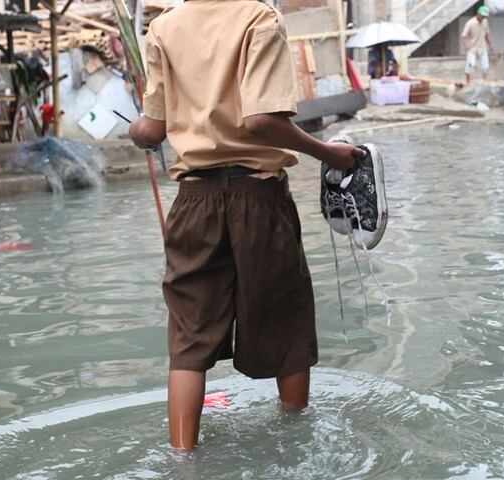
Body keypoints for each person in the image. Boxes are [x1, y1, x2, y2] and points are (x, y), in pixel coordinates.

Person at [128, 1, 365, 451]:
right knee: (285, 323)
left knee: (188, 339)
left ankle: (182, 459)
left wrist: (136, 132)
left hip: (193, 202)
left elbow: (152, 130)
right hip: (258, 199)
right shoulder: (259, 18)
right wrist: (329, 153)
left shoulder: (162, 28)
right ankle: (295, 447)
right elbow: (261, 122)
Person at [461, 5, 493, 85]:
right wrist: (466, 46)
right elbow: (463, 36)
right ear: (478, 14)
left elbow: (486, 35)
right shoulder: (470, 23)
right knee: (470, 66)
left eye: (484, 16)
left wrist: (490, 44)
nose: (483, 18)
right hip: (472, 47)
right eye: (482, 16)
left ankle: (484, 82)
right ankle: (468, 83)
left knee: (485, 67)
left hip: (482, 47)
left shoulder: (485, 22)